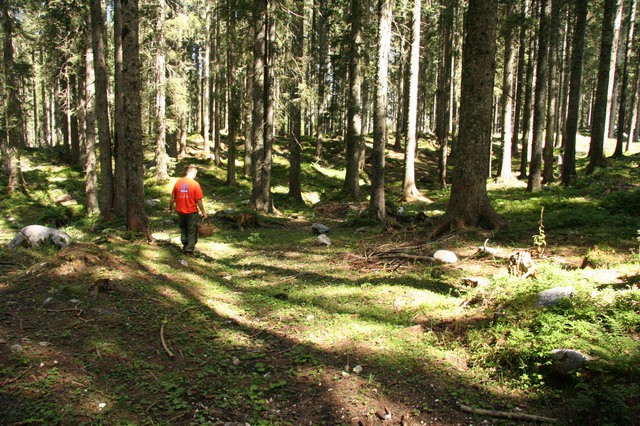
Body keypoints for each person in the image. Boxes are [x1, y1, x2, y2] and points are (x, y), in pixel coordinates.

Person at [168, 165, 208, 255]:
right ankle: (189, 250)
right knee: (192, 230)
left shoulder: (178, 182)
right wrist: (203, 212)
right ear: (194, 174)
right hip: (191, 211)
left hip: (180, 210)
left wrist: (170, 208)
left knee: (183, 228)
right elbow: (198, 200)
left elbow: (173, 197)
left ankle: (185, 245)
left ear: (187, 172)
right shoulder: (195, 184)